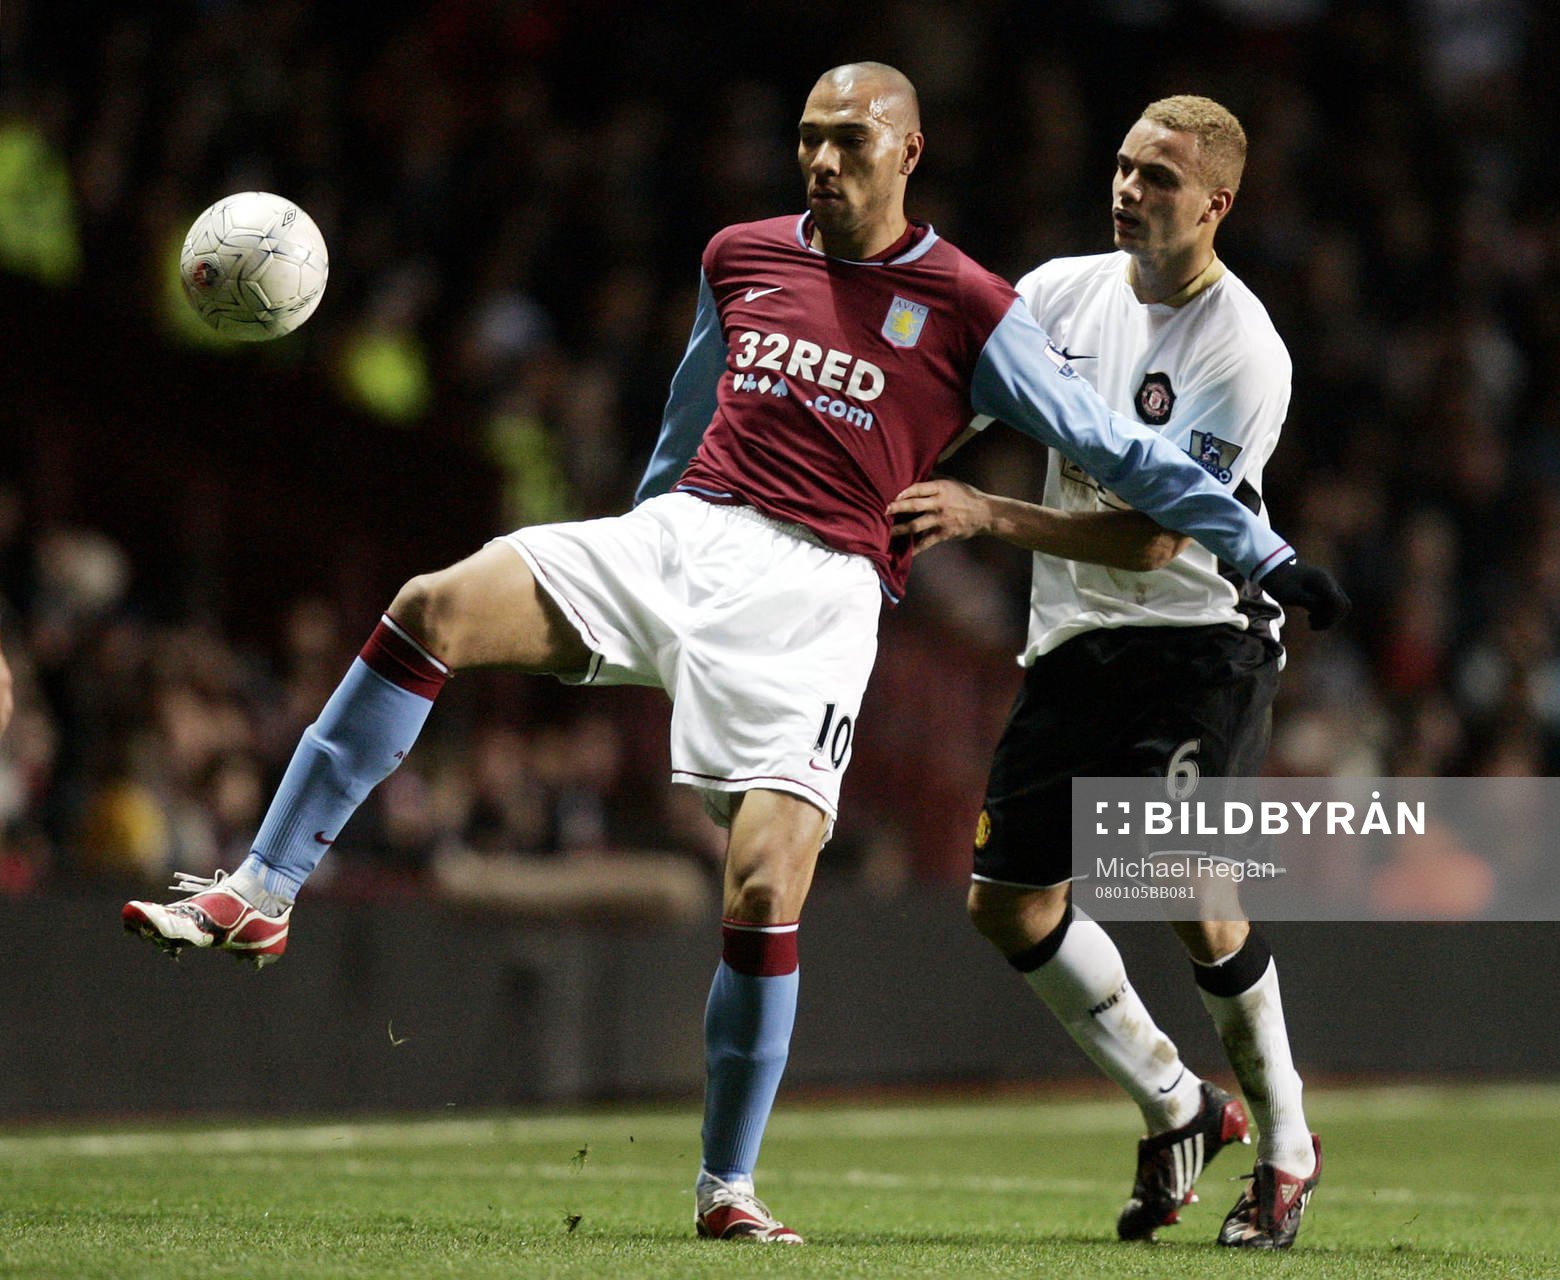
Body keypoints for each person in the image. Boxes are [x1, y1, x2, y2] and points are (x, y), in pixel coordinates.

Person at [123, 66, 1346, 1244]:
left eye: (848, 140)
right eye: (808, 137)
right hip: (694, 535)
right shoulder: (745, 254)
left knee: (787, 884)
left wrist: (1260, 547)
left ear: (907, 152)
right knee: (429, 605)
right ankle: (264, 887)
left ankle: (733, 1185)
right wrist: (639, 569)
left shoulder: (993, 305)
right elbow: (688, 411)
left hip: (861, 600)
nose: (821, 159)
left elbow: (1120, 459)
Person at [889, 95, 1323, 1249]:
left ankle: (1286, 1144)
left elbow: (1155, 539)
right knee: (1009, 901)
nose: (1129, 189)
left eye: (1159, 177)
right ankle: (1180, 1102)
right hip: (1077, 638)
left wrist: (987, 512)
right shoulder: (1054, 294)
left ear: (1217, 203)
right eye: (1125, 166)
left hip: (1202, 637)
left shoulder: (1243, 347)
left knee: (1183, 880)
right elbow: (953, 412)